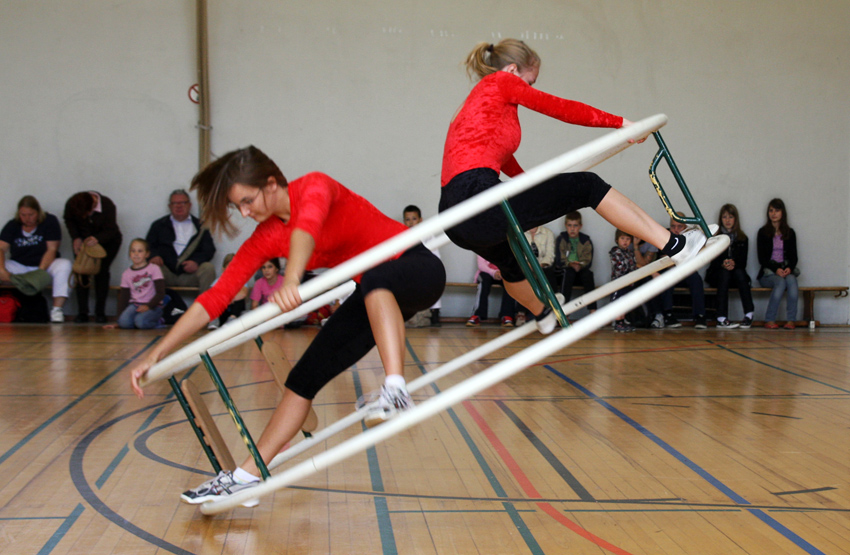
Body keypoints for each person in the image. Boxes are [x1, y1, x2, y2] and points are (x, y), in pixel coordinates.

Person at [129, 146, 445, 506]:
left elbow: (305, 229)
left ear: (271, 183)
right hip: (374, 294)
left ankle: (396, 389)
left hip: (417, 268)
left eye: (248, 201)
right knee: (302, 379)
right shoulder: (266, 236)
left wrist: (291, 278)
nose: (246, 213)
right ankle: (247, 476)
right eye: (239, 207)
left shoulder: (315, 186)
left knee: (374, 277)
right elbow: (215, 298)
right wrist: (157, 353)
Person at [439, 39, 709, 334]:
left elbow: (499, 157)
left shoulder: (474, 102)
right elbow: (559, 107)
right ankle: (675, 245)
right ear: (514, 69)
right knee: (586, 185)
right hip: (478, 199)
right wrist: (619, 123)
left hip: (454, 216)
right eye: (530, 81)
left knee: (512, 263)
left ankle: (543, 313)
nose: (528, 88)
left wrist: (531, 187)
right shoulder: (502, 81)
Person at [0, 195, 72, 323]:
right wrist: (2, 270)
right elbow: (1, 248)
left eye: (31, 214)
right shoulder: (13, 225)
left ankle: (57, 310)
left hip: (45, 265)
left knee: (65, 265)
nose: (27, 219)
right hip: (20, 265)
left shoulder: (49, 221)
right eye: (23, 215)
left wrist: (40, 271)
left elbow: (52, 249)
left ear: (38, 212)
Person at [64, 191, 123, 323]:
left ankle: (100, 312)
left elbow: (111, 230)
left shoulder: (107, 205)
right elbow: (68, 220)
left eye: (88, 213)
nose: (86, 217)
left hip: (108, 242)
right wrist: (76, 237)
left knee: (101, 272)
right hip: (83, 242)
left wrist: (97, 239)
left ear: (94, 203)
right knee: (81, 272)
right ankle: (82, 312)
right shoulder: (72, 203)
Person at [146, 189, 217, 294]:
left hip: (190, 275)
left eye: (183, 203)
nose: (179, 206)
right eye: (175, 203)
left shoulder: (201, 226)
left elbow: (209, 249)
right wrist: (154, 256)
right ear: (170, 206)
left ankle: (207, 309)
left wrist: (196, 262)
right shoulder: (159, 225)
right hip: (166, 273)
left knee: (208, 268)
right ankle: (153, 308)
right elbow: (148, 246)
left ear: (190, 205)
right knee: (152, 268)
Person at [705, 204, 753, 329]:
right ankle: (721, 318)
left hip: (736, 275)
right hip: (718, 275)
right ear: (721, 219)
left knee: (740, 273)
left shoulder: (743, 238)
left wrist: (733, 263)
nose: (727, 220)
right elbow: (712, 261)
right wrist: (723, 263)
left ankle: (749, 314)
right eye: (725, 217)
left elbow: (743, 262)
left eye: (730, 217)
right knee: (724, 273)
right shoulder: (715, 238)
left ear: (735, 219)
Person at [103, 239, 165, 330]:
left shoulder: (154, 269)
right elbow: (123, 298)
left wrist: (148, 306)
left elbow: (161, 292)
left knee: (141, 322)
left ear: (147, 254)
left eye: (140, 251)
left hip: (153, 305)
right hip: (135, 305)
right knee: (124, 323)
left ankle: (159, 321)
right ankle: (137, 320)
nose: (136, 254)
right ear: (130, 254)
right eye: (133, 251)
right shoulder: (126, 273)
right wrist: (118, 321)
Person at [757, 198, 798, 329]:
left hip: (785, 270)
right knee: (780, 282)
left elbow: (794, 257)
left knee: (791, 281)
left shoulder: (790, 233)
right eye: (771, 210)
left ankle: (791, 320)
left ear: (782, 213)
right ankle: (769, 319)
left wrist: (788, 268)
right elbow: (762, 259)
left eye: (777, 210)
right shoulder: (763, 232)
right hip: (768, 273)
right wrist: (776, 270)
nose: (773, 213)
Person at [402, 204, 443, 327]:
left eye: (414, 219)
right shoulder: (401, 235)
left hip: (426, 267)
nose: (411, 222)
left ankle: (434, 314)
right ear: (404, 221)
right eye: (407, 219)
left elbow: (435, 254)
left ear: (420, 220)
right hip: (408, 269)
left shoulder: (427, 234)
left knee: (433, 285)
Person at [554, 211, 597, 313]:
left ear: (580, 226)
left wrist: (580, 265)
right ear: (565, 225)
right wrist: (570, 264)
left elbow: (588, 260)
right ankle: (564, 311)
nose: (572, 229)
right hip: (565, 272)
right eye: (569, 225)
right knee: (568, 273)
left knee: (588, 274)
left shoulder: (585, 240)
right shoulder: (561, 239)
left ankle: (593, 310)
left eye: (575, 226)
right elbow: (559, 260)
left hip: (580, 270)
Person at [466, 255, 517, 327]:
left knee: (510, 281)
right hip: (487, 273)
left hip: (504, 273)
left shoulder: (507, 247)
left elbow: (512, 264)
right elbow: (481, 266)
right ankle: (478, 315)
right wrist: (494, 273)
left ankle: (507, 315)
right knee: (484, 280)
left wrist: (503, 273)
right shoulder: (482, 246)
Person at [207, 253, 248, 329]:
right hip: (222, 311)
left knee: (240, 300)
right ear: (223, 269)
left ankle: (233, 318)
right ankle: (214, 320)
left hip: (235, 311)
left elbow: (243, 294)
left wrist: (231, 297)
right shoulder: (218, 281)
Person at [608, 230, 637, 332]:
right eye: (622, 238)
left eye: (628, 239)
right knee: (617, 301)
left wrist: (632, 275)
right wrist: (627, 273)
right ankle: (617, 321)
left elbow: (633, 265)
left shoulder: (630, 252)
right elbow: (619, 266)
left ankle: (623, 320)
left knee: (625, 301)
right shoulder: (615, 251)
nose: (625, 241)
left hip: (628, 282)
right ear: (617, 240)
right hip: (618, 282)